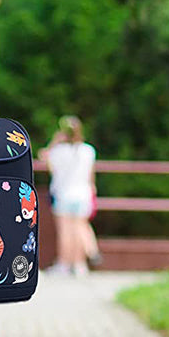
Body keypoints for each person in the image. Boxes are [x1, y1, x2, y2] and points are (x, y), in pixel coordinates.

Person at [41, 115, 97, 276]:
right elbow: (90, 175)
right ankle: (79, 265)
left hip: (64, 193)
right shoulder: (88, 150)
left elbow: (44, 156)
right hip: (83, 193)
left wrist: (54, 141)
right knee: (79, 228)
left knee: (65, 230)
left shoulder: (58, 151)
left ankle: (64, 264)